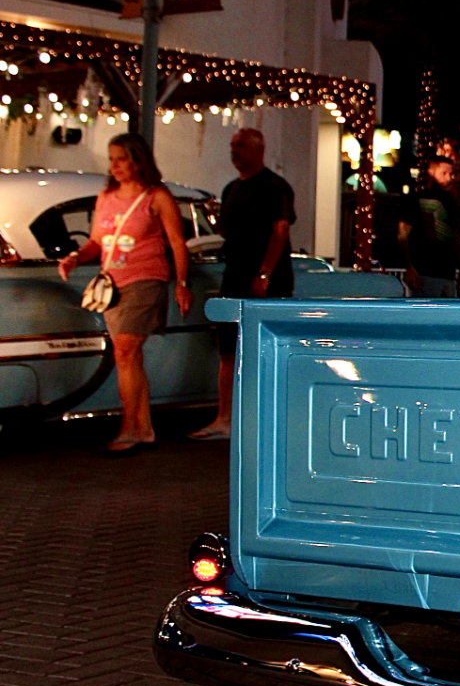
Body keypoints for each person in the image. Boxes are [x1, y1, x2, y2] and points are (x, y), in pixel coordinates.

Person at [56, 133, 192, 454]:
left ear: (138, 159)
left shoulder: (156, 196)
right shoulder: (106, 196)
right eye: (111, 158)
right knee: (128, 356)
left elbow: (177, 243)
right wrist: (76, 257)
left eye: (121, 158)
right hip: (112, 285)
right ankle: (142, 427)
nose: (115, 165)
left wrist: (182, 283)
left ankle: (130, 427)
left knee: (126, 352)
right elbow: (96, 242)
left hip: (145, 279)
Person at [188, 128, 295, 441]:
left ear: (258, 149)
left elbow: (280, 231)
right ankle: (225, 417)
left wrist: (264, 274)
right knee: (229, 349)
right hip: (234, 276)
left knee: (266, 349)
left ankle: (269, 416)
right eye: (232, 145)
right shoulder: (231, 189)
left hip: (267, 280)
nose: (234, 151)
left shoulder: (275, 187)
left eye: (240, 146)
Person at [398, 154, 459, 297]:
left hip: (446, 271)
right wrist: (409, 266)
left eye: (450, 174)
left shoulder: (450, 202)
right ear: (431, 172)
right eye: (444, 173)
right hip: (424, 270)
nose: (448, 178)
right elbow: (403, 234)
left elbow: (455, 236)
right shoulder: (415, 199)